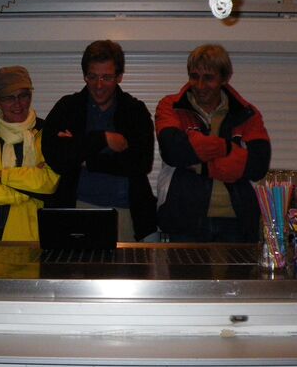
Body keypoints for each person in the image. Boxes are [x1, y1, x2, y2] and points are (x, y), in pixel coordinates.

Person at [42, 40, 157, 242]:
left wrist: (86, 158)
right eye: (92, 76)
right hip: (75, 209)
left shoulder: (134, 110)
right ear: (84, 76)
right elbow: (56, 158)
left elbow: (140, 163)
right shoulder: (68, 107)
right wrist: (103, 139)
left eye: (107, 77)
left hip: (126, 213)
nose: (99, 85)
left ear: (119, 77)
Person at [156, 44, 271, 242]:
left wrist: (197, 158)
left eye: (208, 78)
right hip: (184, 219)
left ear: (224, 78)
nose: (200, 85)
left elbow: (257, 165)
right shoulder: (171, 106)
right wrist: (227, 148)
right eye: (194, 76)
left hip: (237, 222)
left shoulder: (247, 114)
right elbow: (172, 151)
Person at [0, 66, 59, 241]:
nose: (18, 104)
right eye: (9, 97)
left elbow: (49, 183)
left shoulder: (47, 135)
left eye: (24, 96)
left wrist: (2, 176)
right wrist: (29, 191)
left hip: (31, 238)